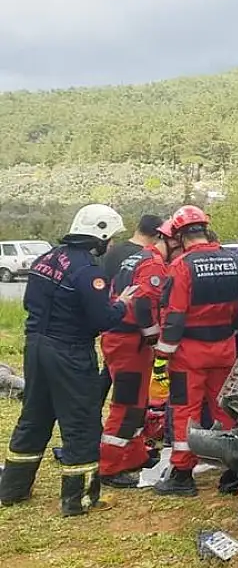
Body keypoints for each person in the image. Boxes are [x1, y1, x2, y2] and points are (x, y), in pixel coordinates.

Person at [0, 204, 139, 516]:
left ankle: (12, 489)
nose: (112, 244)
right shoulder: (89, 271)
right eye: (111, 238)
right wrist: (123, 303)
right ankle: (80, 500)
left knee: (34, 417)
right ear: (99, 236)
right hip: (70, 352)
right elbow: (103, 318)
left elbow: (29, 302)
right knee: (82, 422)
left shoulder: (45, 259)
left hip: (35, 346)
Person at [152, 205, 238, 497]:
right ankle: (233, 472)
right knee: (225, 408)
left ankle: (181, 475)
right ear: (205, 229)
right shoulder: (233, 261)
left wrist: (163, 353)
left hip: (189, 353)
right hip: (225, 349)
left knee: (185, 411)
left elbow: (174, 315)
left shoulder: (181, 266)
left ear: (179, 236)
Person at [97, 220, 179, 489]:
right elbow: (143, 302)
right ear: (166, 241)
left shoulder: (136, 258)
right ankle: (108, 468)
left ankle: (134, 456)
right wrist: (153, 337)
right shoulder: (153, 263)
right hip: (128, 340)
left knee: (139, 401)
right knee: (127, 402)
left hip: (123, 337)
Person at [98, 214, 163, 407]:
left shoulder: (114, 251)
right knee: (128, 386)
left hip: (112, 321)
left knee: (109, 373)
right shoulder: (147, 257)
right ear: (157, 234)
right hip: (132, 328)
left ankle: (93, 410)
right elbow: (144, 298)